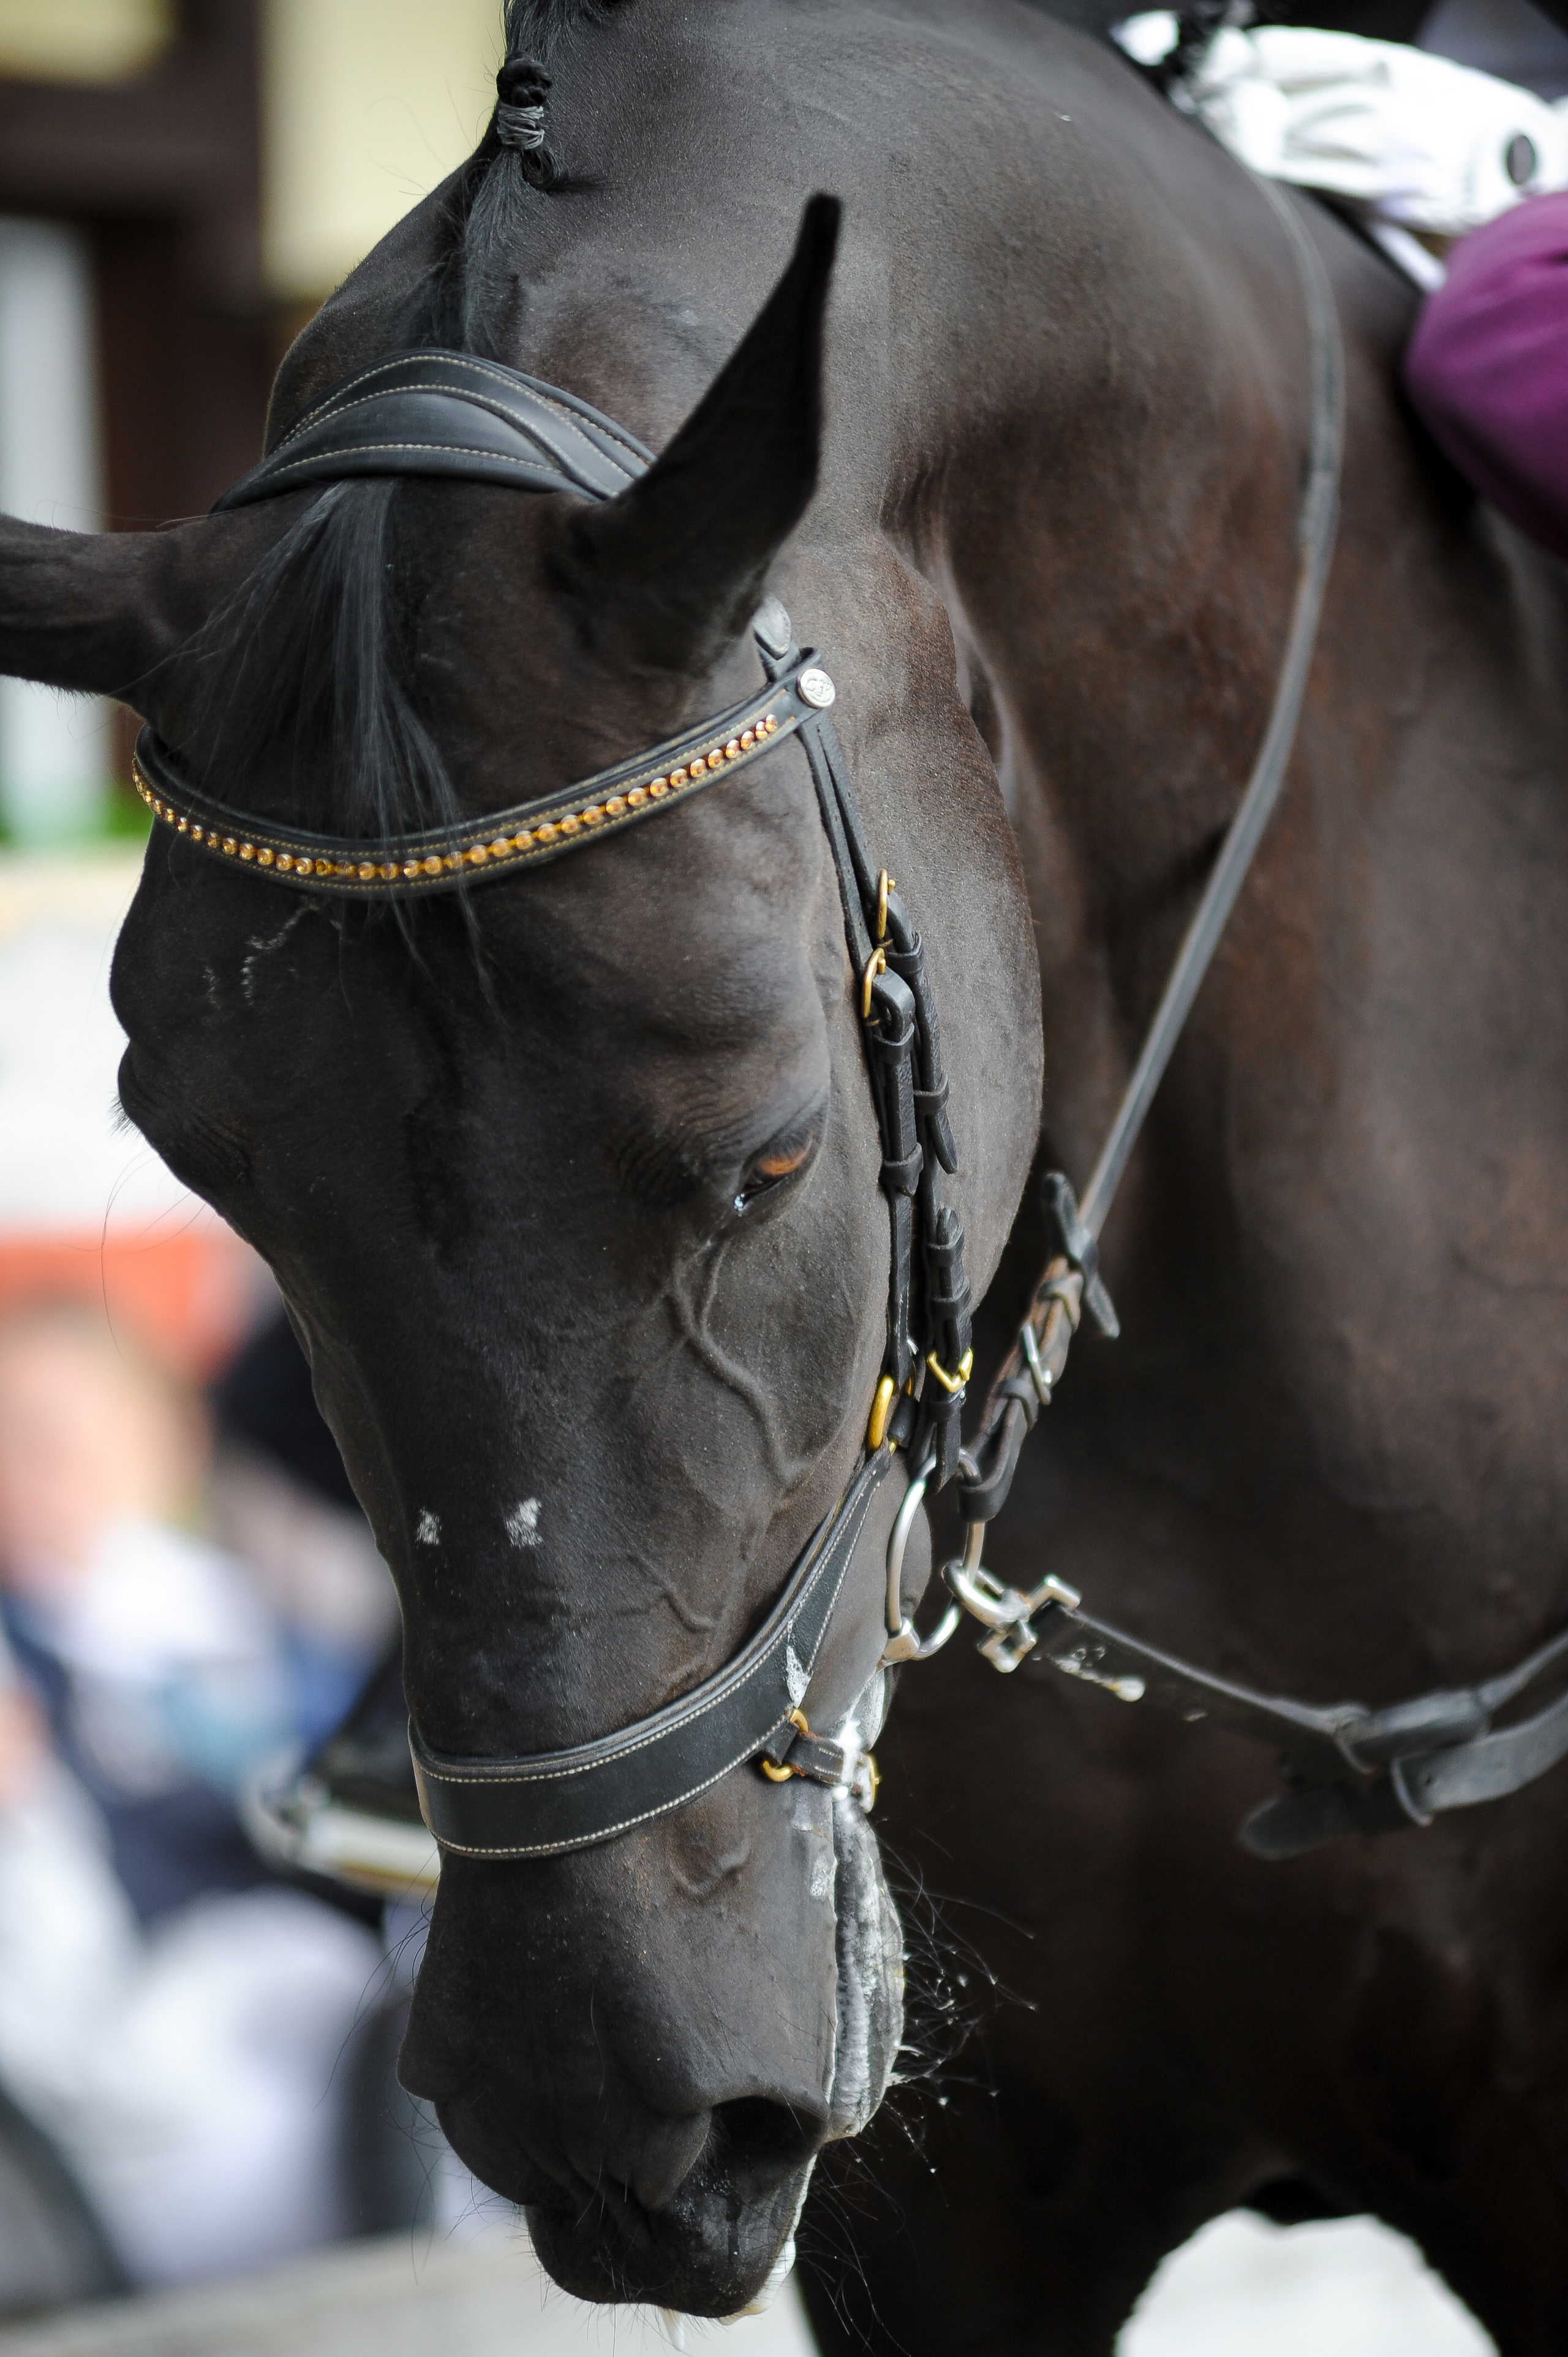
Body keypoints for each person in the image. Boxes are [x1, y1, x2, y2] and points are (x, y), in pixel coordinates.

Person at [0, 1300, 383, 2285]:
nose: (38, 1470)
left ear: (162, 1439)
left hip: (327, 1992)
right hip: (143, 2070)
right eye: (13, 1442)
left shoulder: (242, 1623)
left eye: (59, 1432)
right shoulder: (24, 1665)